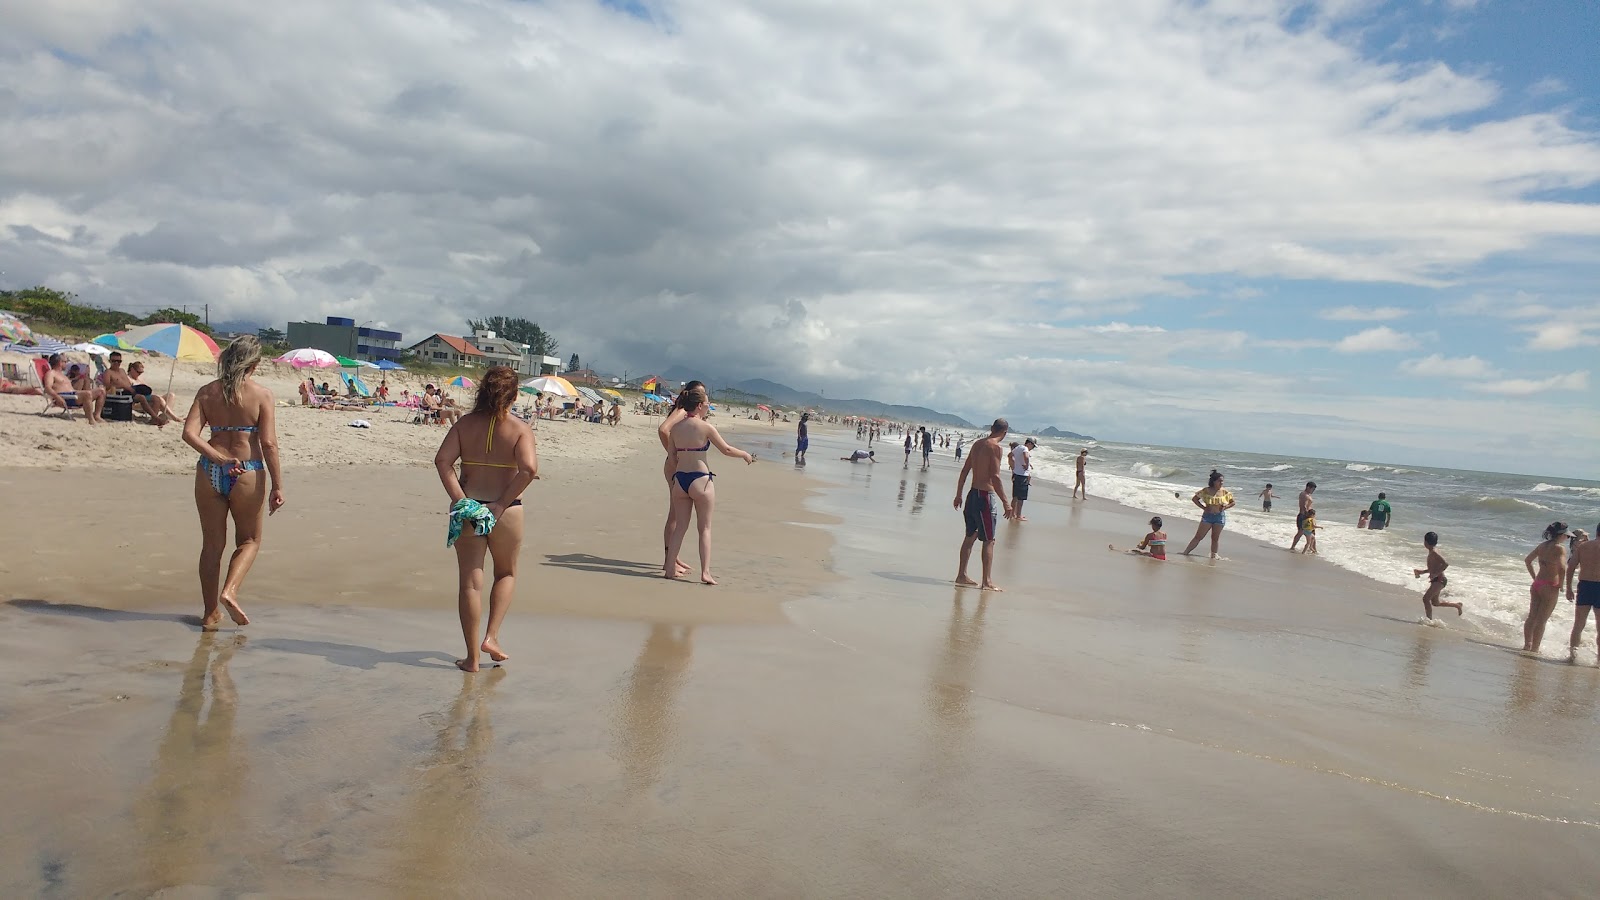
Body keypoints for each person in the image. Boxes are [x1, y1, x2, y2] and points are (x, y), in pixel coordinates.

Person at [433, 366, 538, 672]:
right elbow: (529, 469)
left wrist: (460, 500)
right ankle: (491, 637)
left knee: (470, 583)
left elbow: (443, 461)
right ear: (514, 395)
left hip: (469, 507)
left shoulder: (465, 425)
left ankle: (472, 658)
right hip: (505, 510)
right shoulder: (520, 428)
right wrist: (501, 503)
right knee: (505, 573)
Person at [180, 335, 284, 630]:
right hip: (248, 471)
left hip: (209, 471)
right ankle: (230, 591)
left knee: (212, 545)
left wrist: (218, 458)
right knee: (250, 540)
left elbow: (189, 434)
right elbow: (269, 444)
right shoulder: (262, 395)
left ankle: (210, 613)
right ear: (256, 364)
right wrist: (278, 485)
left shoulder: (207, 392)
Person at [664, 389, 755, 584]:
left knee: (680, 527)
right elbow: (727, 449)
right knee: (704, 528)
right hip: (701, 480)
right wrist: (745, 455)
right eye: (707, 404)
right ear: (699, 406)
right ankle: (705, 572)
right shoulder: (705, 427)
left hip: (680, 480)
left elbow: (672, 457)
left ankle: (670, 568)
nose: (708, 406)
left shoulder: (676, 429)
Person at [953, 418, 1012, 591]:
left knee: (970, 536)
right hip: (984, 497)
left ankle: (961, 575)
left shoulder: (977, 444)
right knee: (989, 540)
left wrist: (959, 494)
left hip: (972, 496)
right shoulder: (995, 447)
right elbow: (995, 476)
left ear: (992, 428)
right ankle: (987, 581)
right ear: (1005, 432)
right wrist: (1006, 503)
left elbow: (965, 470)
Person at [658, 381, 706, 578]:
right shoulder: (681, 410)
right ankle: (668, 560)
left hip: (680, 466)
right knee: (675, 515)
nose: (704, 396)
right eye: (701, 393)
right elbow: (663, 430)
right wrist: (675, 455)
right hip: (675, 466)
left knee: (678, 515)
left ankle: (673, 558)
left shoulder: (689, 413)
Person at [1522, 521, 1570, 654]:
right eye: (1567, 536)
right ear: (1561, 535)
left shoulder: (1542, 546)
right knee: (1542, 620)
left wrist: (1534, 577)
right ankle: (1535, 648)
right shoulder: (1559, 548)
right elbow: (1562, 567)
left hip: (1537, 583)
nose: (1567, 538)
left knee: (1532, 617)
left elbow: (1528, 560)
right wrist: (1561, 584)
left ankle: (1527, 644)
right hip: (1549, 585)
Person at [1182, 470, 1234, 558]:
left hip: (1219, 517)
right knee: (1199, 536)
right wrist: (1204, 508)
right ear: (1214, 481)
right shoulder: (1206, 491)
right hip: (1207, 516)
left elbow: (1233, 503)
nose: (1222, 482)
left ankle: (1214, 555)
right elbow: (1194, 499)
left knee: (1215, 538)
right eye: (1219, 481)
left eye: (1222, 481)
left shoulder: (1225, 492)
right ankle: (1186, 552)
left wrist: (1225, 507)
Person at [1413, 531, 1461, 620]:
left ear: (1426, 542)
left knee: (1426, 599)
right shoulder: (1432, 551)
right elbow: (1433, 568)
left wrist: (1436, 574)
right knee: (1435, 603)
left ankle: (1429, 620)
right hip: (1438, 580)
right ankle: (1457, 605)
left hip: (1440, 580)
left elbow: (1445, 564)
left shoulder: (1434, 552)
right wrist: (1422, 572)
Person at [1568, 523, 1600, 657]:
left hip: (1585, 585)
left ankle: (1572, 656)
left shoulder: (1583, 546)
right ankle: (1599, 660)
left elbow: (1571, 567)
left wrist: (1568, 588)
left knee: (1578, 625)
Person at [42, 354, 103, 422]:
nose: (66, 364)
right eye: (65, 362)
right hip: (65, 398)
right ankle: (91, 420)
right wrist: (57, 397)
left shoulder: (62, 375)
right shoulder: (51, 373)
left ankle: (97, 416)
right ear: (60, 362)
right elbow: (47, 388)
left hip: (72, 395)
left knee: (101, 391)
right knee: (87, 393)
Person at [125, 359, 180, 425]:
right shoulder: (128, 378)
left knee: (171, 395)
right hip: (138, 403)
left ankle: (165, 415)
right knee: (158, 399)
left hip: (148, 399)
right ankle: (174, 417)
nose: (139, 374)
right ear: (132, 369)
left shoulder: (140, 379)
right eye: (138, 372)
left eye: (141, 373)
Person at [1009, 438, 1034, 522]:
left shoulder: (1018, 447)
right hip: (1022, 476)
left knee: (1015, 496)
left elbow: (1009, 455)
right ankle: (1018, 515)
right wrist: (1026, 465)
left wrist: (1014, 466)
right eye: (1033, 446)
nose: (1032, 448)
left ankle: (1012, 513)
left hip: (1016, 474)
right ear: (1029, 443)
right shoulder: (1025, 449)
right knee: (1021, 498)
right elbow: (1026, 456)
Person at [1290, 482, 1317, 550]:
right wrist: (1308, 516)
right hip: (1304, 516)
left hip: (1307, 516)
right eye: (1312, 489)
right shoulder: (1304, 495)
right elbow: (1304, 506)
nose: (1313, 491)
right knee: (1300, 532)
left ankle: (1312, 549)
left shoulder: (1308, 495)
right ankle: (1293, 547)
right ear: (1308, 487)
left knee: (1312, 533)